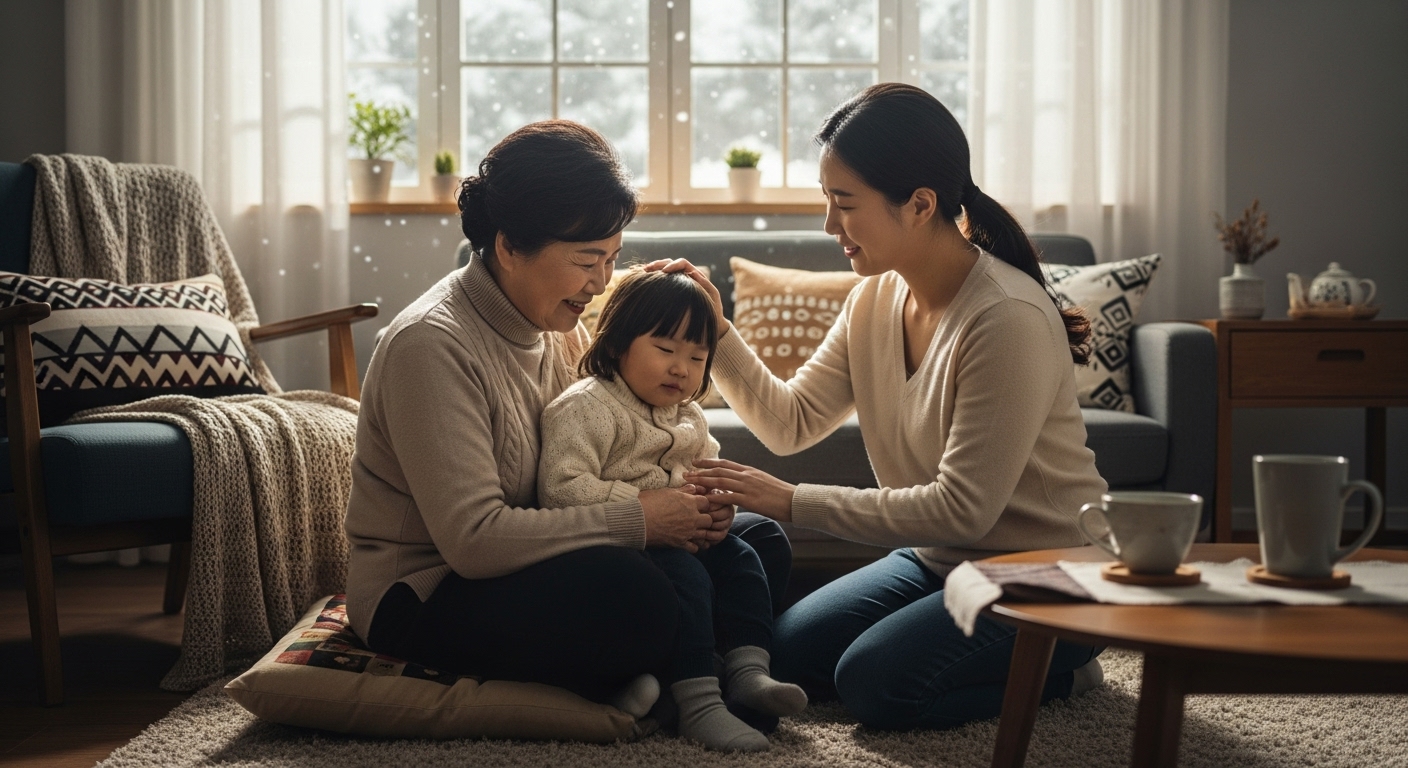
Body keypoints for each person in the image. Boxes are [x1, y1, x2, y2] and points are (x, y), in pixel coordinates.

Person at [661, 83, 1109, 731]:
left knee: (875, 684)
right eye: (827, 201)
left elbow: (964, 506)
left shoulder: (1004, 317)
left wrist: (789, 501)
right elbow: (790, 423)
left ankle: (1064, 670)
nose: (828, 225)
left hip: (1049, 572)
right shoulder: (873, 303)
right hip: (939, 557)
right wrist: (717, 330)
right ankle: (1011, 659)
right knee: (784, 656)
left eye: (844, 204)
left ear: (920, 204)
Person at [342, 120, 792, 720]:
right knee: (639, 596)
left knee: (755, 541)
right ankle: (681, 669)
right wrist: (640, 521)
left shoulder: (555, 322)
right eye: (587, 260)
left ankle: (688, 677)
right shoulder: (432, 346)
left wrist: (690, 504)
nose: (602, 281)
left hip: (543, 554)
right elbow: (473, 542)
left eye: (611, 258)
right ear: (508, 246)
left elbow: (608, 446)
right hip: (434, 590)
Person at [538, 268, 807, 752]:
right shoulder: (584, 407)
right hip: (621, 543)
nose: (681, 368)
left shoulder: (690, 415)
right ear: (619, 344)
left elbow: (707, 470)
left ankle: (746, 671)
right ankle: (698, 704)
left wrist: (718, 508)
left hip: (683, 532)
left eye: (697, 356)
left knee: (751, 548)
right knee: (689, 577)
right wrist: (643, 507)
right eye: (665, 350)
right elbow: (561, 488)